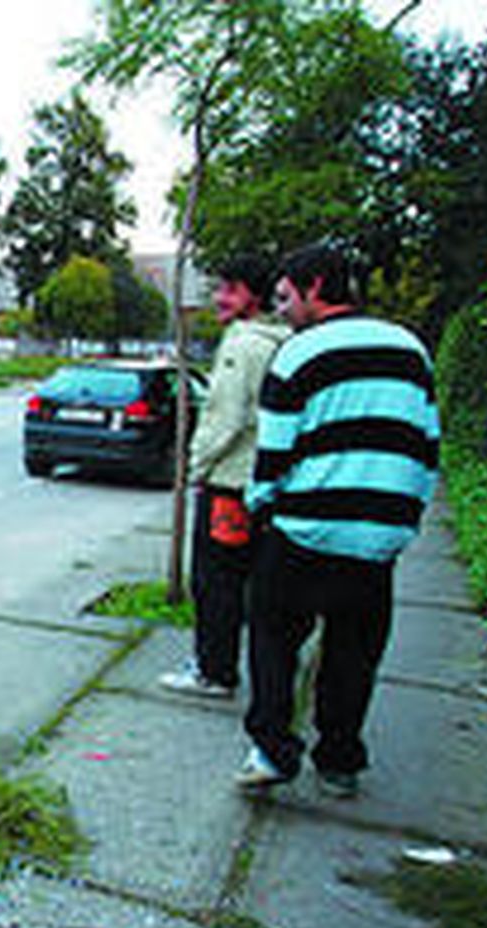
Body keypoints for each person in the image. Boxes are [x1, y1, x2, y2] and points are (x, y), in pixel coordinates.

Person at [236, 243, 440, 797]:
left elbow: (274, 450)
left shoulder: (299, 353)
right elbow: (428, 444)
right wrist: (406, 516)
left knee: (273, 635)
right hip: (379, 534)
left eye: (287, 297)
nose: (283, 310)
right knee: (355, 650)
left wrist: (261, 504)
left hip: (306, 526)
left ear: (316, 287)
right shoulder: (411, 350)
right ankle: (339, 760)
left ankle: (273, 749)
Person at [158, 254, 289, 699]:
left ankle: (214, 671)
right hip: (259, 481)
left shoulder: (243, 344)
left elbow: (225, 418)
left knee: (215, 581)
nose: (219, 298)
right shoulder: (280, 341)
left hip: (229, 483)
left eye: (230, 290)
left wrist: (194, 467)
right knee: (248, 581)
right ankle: (242, 672)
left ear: (254, 296)